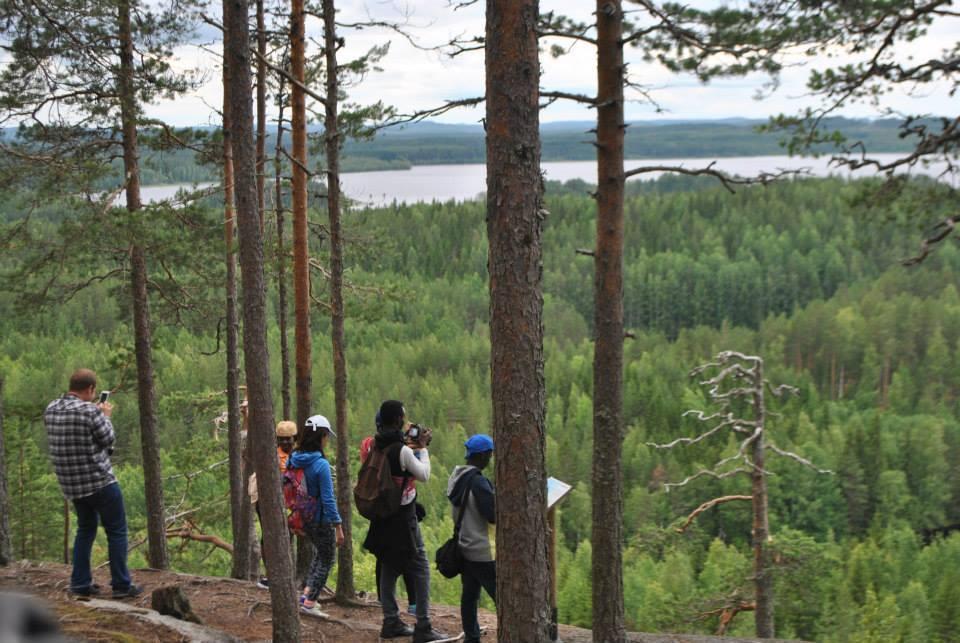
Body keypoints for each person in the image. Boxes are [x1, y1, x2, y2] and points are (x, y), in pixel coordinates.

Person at [43, 369, 141, 599]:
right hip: (100, 482)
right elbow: (108, 439)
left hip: (72, 486)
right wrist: (105, 415)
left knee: (85, 530)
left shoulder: (51, 409)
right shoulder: (90, 411)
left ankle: (80, 583)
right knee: (116, 531)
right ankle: (121, 585)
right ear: (90, 390)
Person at [362, 400, 448, 642]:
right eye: (403, 416)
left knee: (389, 566)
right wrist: (422, 448)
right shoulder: (402, 450)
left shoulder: (375, 445)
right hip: (403, 517)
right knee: (420, 566)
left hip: (383, 516)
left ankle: (390, 621)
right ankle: (423, 625)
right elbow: (424, 474)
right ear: (398, 420)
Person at [288, 414, 344, 617]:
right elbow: (328, 499)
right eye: (326, 435)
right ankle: (310, 603)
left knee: (318, 555)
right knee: (327, 559)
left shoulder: (294, 459)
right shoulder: (320, 465)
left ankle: (306, 596)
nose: (327, 439)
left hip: (303, 516)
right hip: (320, 519)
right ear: (321, 435)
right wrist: (338, 526)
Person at [446, 434, 496, 643]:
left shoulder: (456, 476)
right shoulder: (479, 483)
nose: (491, 458)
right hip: (483, 550)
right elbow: (493, 515)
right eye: (490, 454)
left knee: (469, 596)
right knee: (502, 597)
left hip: (464, 546)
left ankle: (472, 637)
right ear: (483, 455)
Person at [248, 417, 298, 589]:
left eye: (288, 439)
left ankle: (283, 573)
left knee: (287, 536)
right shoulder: (274, 456)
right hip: (268, 502)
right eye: (281, 439)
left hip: (289, 504)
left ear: (295, 439)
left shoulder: (297, 455)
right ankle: (271, 574)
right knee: (269, 537)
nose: (285, 442)